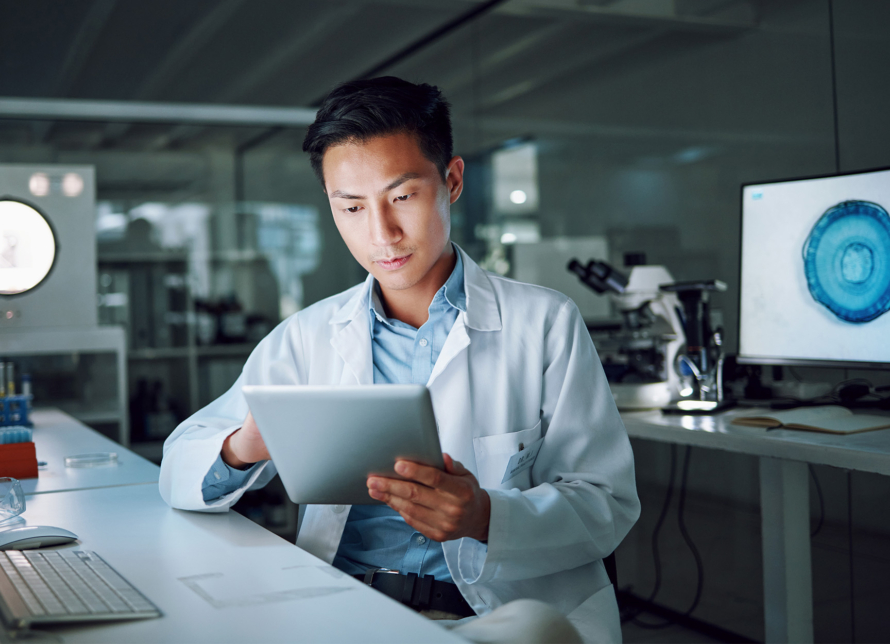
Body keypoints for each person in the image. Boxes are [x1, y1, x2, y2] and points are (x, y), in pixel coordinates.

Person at [159, 76, 640, 643]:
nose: (381, 233)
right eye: (352, 207)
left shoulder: (545, 324)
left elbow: (606, 502)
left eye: (403, 196)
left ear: (452, 180)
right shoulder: (308, 337)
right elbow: (178, 469)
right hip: (344, 610)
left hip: (493, 614)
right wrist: (246, 446)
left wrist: (487, 516)